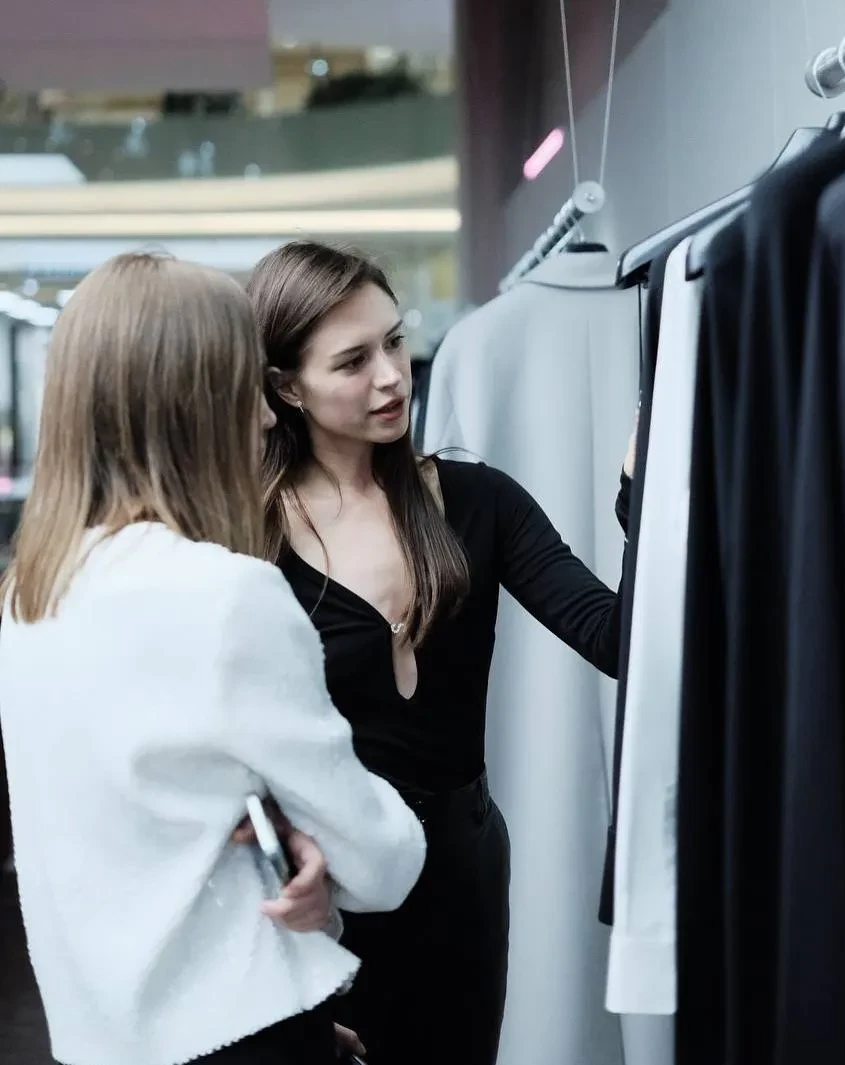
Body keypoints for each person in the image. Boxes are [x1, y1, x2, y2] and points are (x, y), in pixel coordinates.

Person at [0, 251, 426, 1065]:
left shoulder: (30, 593)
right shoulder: (228, 597)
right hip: (237, 1033)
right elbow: (383, 859)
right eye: (246, 388)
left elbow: (141, 810)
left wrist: (275, 828)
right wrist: (321, 843)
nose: (266, 419)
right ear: (197, 406)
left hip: (104, 1038)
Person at [247, 241, 637, 1065]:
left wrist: (648, 497)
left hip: (463, 877)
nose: (392, 376)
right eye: (353, 360)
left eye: (394, 341)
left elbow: (618, 639)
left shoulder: (477, 499)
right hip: (328, 893)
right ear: (287, 386)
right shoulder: (249, 538)